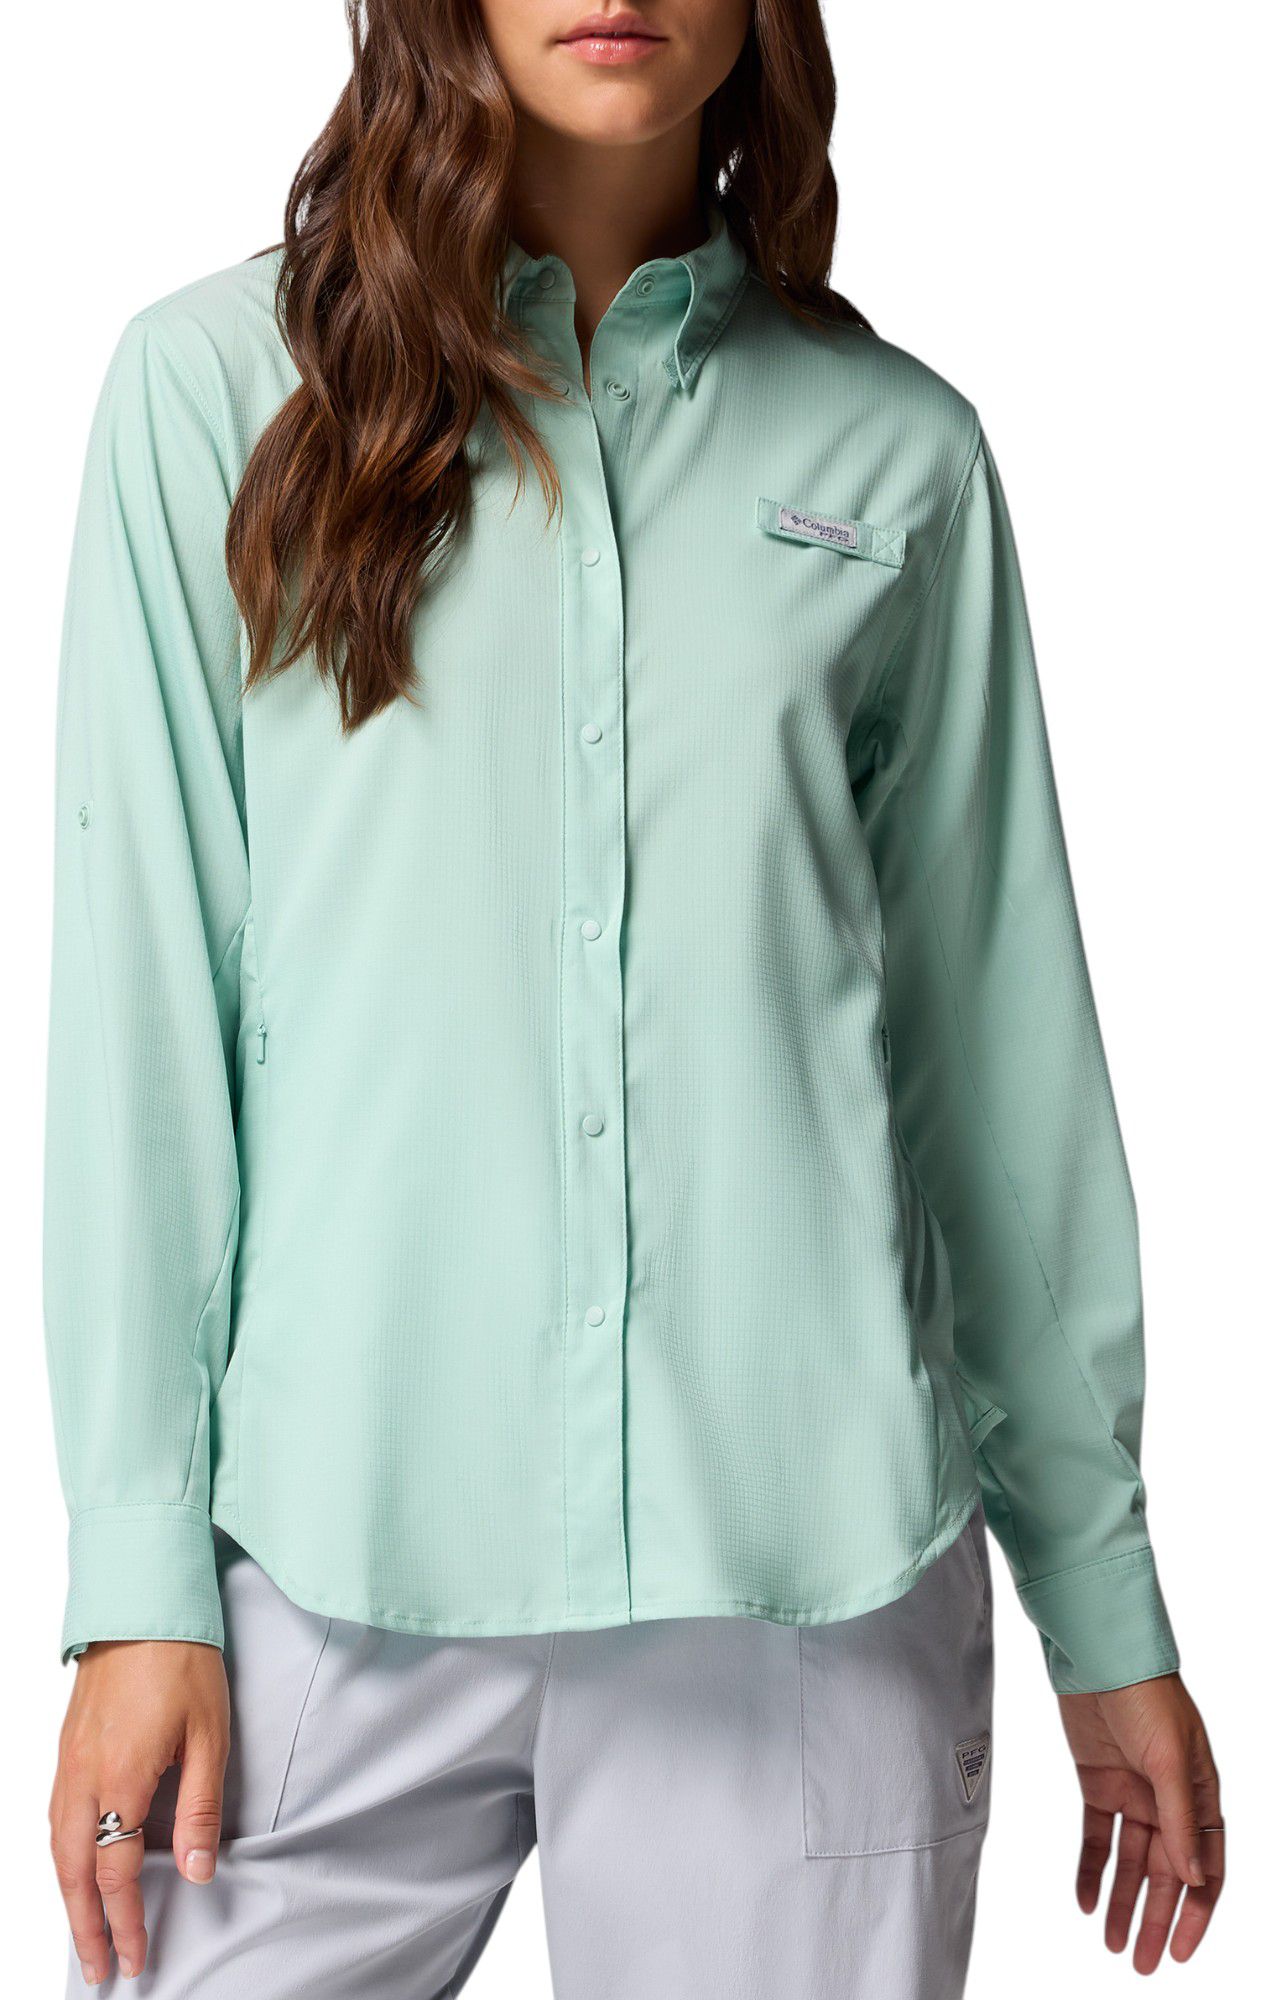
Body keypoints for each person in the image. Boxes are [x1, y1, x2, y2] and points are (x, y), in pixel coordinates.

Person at [43, 2, 1224, 1994]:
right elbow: (142, 1014)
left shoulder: (895, 452)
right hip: (326, 1560)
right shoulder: (213, 393)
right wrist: (137, 1574)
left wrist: (1098, 1599)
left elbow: (990, 1054)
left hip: (804, 1578)